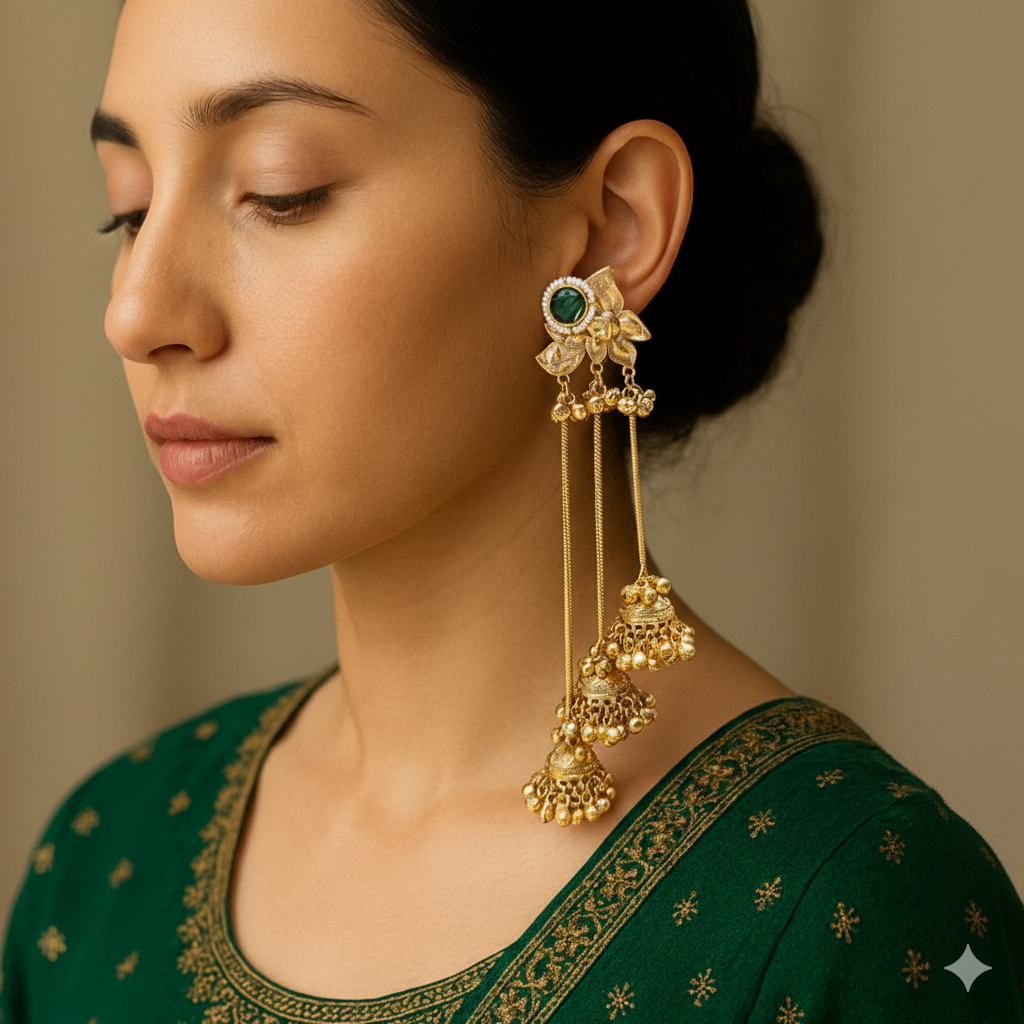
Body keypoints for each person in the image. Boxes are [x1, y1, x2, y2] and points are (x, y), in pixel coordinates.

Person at [2, 0, 1022, 1020]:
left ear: (612, 226)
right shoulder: (110, 855)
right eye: (128, 207)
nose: (135, 310)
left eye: (281, 191)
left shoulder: (858, 906)